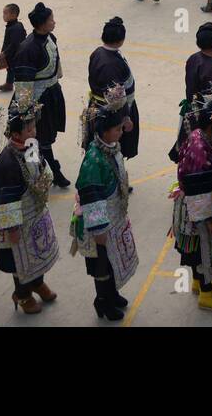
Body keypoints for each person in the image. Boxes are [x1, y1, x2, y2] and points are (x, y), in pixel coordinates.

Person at [0, 89, 60, 315]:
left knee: (37, 252)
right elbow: (5, 199)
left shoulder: (30, 147)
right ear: (17, 133)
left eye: (34, 126)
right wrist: (11, 229)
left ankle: (37, 282)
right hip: (17, 221)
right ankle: (22, 294)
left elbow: (38, 169)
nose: (34, 131)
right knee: (19, 261)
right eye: (29, 128)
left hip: (34, 212)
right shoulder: (6, 164)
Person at [72, 84, 139, 322]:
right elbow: (91, 197)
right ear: (104, 131)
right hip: (99, 225)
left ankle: (112, 294)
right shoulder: (93, 162)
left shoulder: (110, 148)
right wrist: (98, 229)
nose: (121, 131)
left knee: (112, 261)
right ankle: (103, 301)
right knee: (102, 266)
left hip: (113, 218)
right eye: (117, 128)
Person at [170, 93, 212, 312]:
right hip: (197, 209)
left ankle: (198, 282)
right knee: (203, 245)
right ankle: (205, 293)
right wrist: (207, 220)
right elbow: (199, 192)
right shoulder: (199, 147)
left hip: (192, 206)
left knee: (195, 249)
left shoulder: (199, 137)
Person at [12, 2, 70, 188]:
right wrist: (27, 113)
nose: (54, 22)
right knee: (33, 139)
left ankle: (41, 169)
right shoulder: (28, 48)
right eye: (51, 20)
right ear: (42, 23)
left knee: (44, 137)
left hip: (50, 94)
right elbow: (23, 83)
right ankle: (39, 172)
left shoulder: (49, 37)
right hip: (37, 100)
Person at [86, 16, 139, 160]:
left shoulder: (99, 52)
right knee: (110, 148)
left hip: (104, 107)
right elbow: (116, 99)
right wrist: (126, 118)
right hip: (111, 114)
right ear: (121, 39)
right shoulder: (110, 64)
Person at [0, 3, 26, 93]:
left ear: (13, 15)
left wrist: (4, 53)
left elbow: (14, 44)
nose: (3, 16)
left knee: (14, 70)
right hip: (11, 54)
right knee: (10, 69)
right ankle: (9, 84)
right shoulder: (13, 25)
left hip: (14, 55)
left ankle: (19, 88)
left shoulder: (15, 28)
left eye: (5, 13)